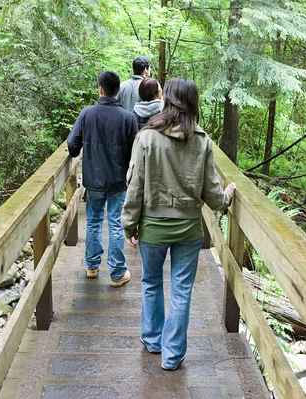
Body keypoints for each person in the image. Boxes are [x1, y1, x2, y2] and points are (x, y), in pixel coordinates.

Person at [121, 78, 236, 371]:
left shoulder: (147, 137)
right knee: (182, 289)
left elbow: (135, 186)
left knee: (151, 282)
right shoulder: (201, 140)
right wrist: (227, 198)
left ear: (167, 99)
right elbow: (212, 193)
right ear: (193, 102)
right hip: (188, 229)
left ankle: (152, 340)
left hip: (153, 228)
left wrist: (129, 226)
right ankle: (172, 357)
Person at [68, 70, 138, 287]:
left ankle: (91, 266)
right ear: (118, 90)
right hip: (118, 180)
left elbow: (72, 146)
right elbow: (135, 153)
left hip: (93, 179)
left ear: (100, 89)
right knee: (116, 224)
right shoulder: (128, 118)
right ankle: (117, 273)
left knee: (94, 221)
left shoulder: (86, 114)